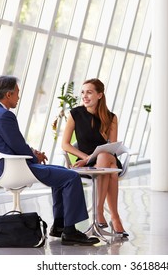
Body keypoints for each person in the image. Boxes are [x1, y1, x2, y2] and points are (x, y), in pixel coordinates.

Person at [0, 75, 99, 246]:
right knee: (71, 177)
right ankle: (70, 231)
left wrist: (33, 152)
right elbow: (19, 147)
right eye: (17, 93)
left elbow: (14, 144)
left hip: (6, 167)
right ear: (8, 95)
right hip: (15, 168)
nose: (18, 97)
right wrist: (35, 155)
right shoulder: (4, 116)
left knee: (63, 174)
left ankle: (59, 225)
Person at [62, 78, 128, 238]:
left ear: (99, 95)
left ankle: (99, 211)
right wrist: (86, 158)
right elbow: (65, 145)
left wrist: (93, 157)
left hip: (106, 159)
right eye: (83, 92)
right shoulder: (75, 114)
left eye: (89, 92)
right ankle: (115, 218)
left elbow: (112, 146)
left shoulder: (111, 118)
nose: (84, 96)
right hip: (87, 163)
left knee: (105, 157)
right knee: (111, 171)